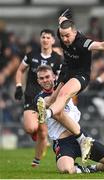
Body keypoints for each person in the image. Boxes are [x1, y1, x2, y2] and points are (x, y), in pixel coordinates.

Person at [37, 9, 104, 162]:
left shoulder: (83, 42)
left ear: (75, 32)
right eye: (62, 36)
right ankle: (79, 136)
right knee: (53, 98)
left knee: (62, 96)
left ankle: (46, 114)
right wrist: (63, 15)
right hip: (66, 71)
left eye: (68, 35)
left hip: (80, 76)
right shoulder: (62, 28)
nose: (65, 39)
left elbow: (101, 45)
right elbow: (62, 20)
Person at [36, 65, 104, 174]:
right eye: (41, 78)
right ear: (38, 81)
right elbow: (51, 102)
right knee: (66, 169)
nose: (45, 80)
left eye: (47, 77)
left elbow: (88, 85)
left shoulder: (67, 90)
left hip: (82, 137)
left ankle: (91, 169)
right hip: (63, 143)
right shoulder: (40, 99)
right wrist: (63, 80)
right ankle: (79, 169)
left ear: (53, 76)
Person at [14, 29, 62, 167]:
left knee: (43, 131)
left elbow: (60, 78)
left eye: (48, 37)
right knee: (31, 128)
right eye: (43, 37)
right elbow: (20, 70)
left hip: (48, 98)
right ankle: (41, 140)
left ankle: (37, 160)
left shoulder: (57, 59)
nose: (45, 39)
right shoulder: (31, 55)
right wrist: (18, 86)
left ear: (53, 40)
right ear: (40, 39)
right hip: (31, 96)